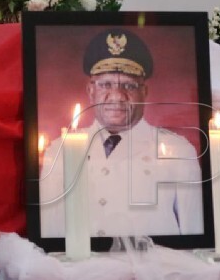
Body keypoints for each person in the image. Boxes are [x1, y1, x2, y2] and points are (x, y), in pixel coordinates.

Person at [39, 29, 203, 238]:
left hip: (156, 269)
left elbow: (195, 235)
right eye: (106, 84)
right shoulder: (60, 150)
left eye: (129, 85)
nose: (117, 95)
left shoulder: (178, 151)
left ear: (144, 91)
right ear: (91, 90)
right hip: (80, 269)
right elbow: (50, 231)